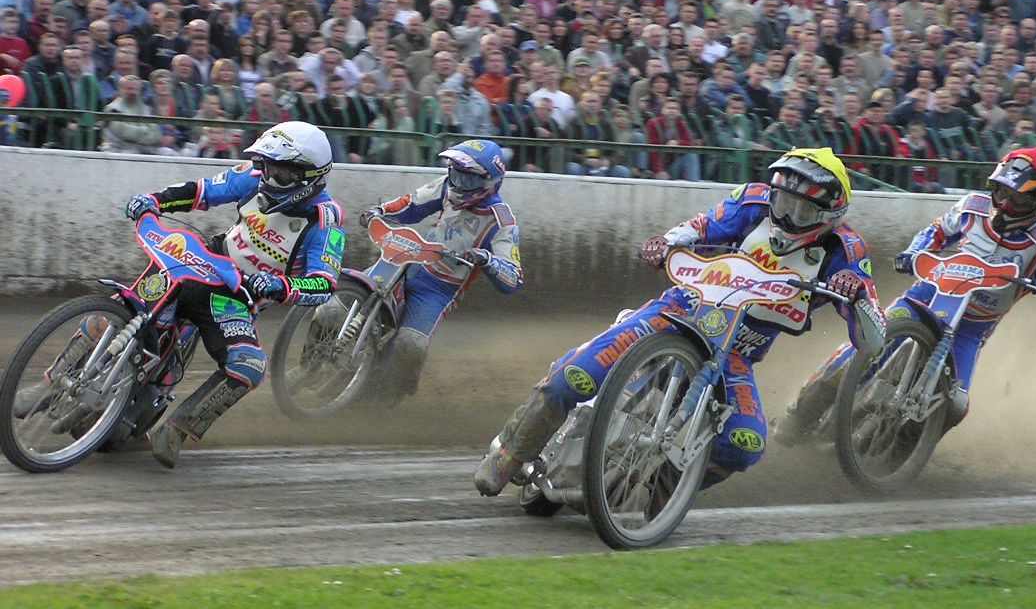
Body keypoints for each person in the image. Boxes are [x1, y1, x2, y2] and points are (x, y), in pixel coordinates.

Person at [474, 148, 886, 496]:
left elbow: (874, 339)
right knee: (576, 377)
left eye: (803, 209)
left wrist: (858, 295)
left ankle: (657, 496)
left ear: (830, 214)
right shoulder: (752, 202)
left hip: (735, 354)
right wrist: (666, 242)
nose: (787, 216)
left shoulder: (847, 249)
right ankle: (509, 452)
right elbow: (702, 226)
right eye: (783, 202)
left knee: (745, 443)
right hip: (678, 312)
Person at [14, 122, 347, 468]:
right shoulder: (252, 176)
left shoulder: (326, 220)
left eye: (280, 172)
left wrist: (281, 286)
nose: (267, 177)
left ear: (309, 177)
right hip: (202, 258)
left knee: (248, 365)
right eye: (266, 165)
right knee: (117, 313)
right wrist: (154, 200)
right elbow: (201, 191)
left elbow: (324, 282)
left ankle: (177, 430)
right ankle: (49, 384)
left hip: (237, 295)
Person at [776, 146, 1036, 445]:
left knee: (956, 404)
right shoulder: (971, 207)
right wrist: (914, 252)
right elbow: (937, 231)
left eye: (1018, 200)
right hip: (924, 298)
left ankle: (896, 456)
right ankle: (799, 414)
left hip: (970, 329)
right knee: (868, 344)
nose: (1006, 205)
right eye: (1001, 192)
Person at [352, 139, 523, 398]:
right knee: (343, 299)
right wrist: (380, 211)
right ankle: (310, 361)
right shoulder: (446, 186)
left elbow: (514, 278)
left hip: (438, 289)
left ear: (490, 182)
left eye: (468, 179)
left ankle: (390, 399)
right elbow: (411, 204)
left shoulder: (502, 220)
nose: (458, 184)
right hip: (407, 259)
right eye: (455, 174)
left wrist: (487, 259)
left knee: (410, 344)